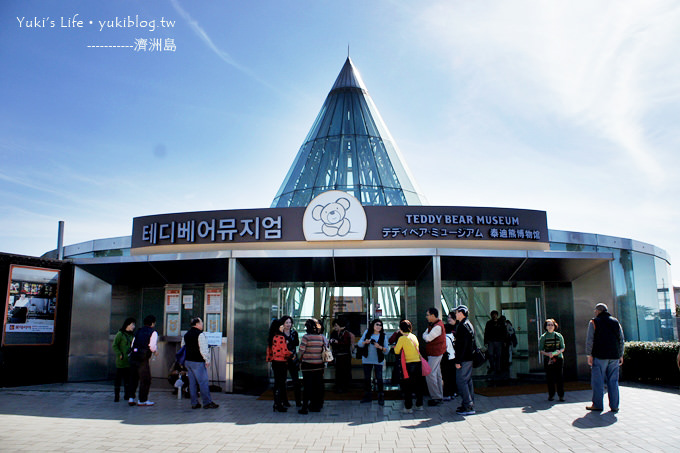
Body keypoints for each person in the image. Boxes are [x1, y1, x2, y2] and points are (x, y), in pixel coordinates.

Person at [586, 303, 624, 413]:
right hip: (614, 356)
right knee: (613, 381)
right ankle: (614, 406)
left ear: (598, 311)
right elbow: (621, 339)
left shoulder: (594, 322)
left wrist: (589, 355)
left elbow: (590, 340)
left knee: (598, 381)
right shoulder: (616, 322)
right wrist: (621, 354)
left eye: (595, 311)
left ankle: (597, 405)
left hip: (600, 356)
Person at [182, 317, 219, 409]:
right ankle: (207, 402)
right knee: (203, 383)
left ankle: (194, 403)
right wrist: (207, 359)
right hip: (198, 361)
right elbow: (203, 349)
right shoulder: (200, 335)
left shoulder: (186, 334)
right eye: (201, 322)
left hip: (188, 361)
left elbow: (183, 346)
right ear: (197, 324)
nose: (202, 324)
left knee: (192, 383)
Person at [393, 320, 424, 413]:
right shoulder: (413, 336)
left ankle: (408, 407)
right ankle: (419, 405)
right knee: (418, 385)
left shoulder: (402, 338)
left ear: (400, 329)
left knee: (407, 386)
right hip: (418, 363)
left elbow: (396, 351)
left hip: (408, 364)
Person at [129, 314, 158, 406]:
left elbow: (132, 344)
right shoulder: (153, 332)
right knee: (145, 379)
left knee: (133, 378)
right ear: (153, 323)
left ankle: (131, 398)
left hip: (134, 356)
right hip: (143, 358)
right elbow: (152, 346)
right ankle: (142, 400)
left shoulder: (138, 331)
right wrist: (155, 351)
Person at [297, 318, 325, 414]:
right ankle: (316, 405)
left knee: (307, 386)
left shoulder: (306, 337)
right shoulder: (321, 337)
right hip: (319, 365)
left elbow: (301, 351)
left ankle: (304, 407)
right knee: (317, 386)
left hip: (308, 365)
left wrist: (298, 358)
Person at [359, 318, 389, 405]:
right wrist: (366, 342)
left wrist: (379, 347)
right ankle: (367, 396)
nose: (379, 327)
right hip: (367, 359)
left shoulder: (383, 335)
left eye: (380, 325)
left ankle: (380, 396)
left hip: (378, 359)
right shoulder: (367, 333)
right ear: (373, 325)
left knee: (379, 378)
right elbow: (360, 344)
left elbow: (387, 350)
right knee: (367, 378)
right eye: (377, 324)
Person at [454, 305, 476, 415]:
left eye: (457, 312)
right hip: (468, 358)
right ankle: (468, 404)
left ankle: (468, 405)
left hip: (464, 359)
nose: (455, 314)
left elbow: (462, 346)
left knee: (461, 381)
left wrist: (458, 361)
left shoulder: (463, 326)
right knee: (467, 381)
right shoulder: (469, 324)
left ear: (462, 313)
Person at [267, 319, 292, 412]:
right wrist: (291, 355)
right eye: (282, 326)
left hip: (274, 362)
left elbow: (269, 351)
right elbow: (284, 351)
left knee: (277, 383)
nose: (283, 327)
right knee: (281, 383)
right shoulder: (280, 337)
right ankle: (279, 404)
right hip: (281, 362)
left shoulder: (272, 337)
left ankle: (276, 403)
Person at [423, 307, 446, 406]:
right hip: (436, 353)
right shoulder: (435, 325)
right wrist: (426, 334)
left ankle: (436, 397)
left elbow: (427, 338)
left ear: (433, 315)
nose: (426, 317)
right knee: (437, 374)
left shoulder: (437, 327)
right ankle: (439, 395)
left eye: (427, 315)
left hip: (435, 353)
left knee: (429, 374)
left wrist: (425, 335)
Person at [539, 318, 565, 402]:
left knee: (559, 377)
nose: (550, 326)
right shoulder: (543, 337)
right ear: (545, 327)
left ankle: (561, 395)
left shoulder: (559, 336)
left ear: (555, 326)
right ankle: (551, 395)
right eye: (548, 325)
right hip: (548, 359)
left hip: (558, 358)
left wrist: (558, 352)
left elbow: (562, 347)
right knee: (550, 377)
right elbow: (541, 350)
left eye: (552, 325)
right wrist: (548, 354)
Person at [112, 317, 135, 403]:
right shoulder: (120, 334)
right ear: (127, 325)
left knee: (128, 380)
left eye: (134, 324)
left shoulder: (132, 335)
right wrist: (119, 354)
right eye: (132, 324)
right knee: (118, 379)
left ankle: (127, 395)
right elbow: (114, 345)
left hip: (129, 361)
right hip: (121, 361)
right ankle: (116, 396)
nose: (133, 326)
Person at [280, 315, 302, 407]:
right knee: (282, 380)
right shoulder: (279, 333)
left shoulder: (294, 332)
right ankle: (284, 401)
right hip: (282, 359)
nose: (288, 325)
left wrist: (289, 341)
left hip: (292, 358)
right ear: (283, 324)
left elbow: (296, 343)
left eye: (290, 323)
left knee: (296, 380)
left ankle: (298, 401)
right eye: (286, 323)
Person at [329, 318, 352, 393]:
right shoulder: (334, 333)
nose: (335, 327)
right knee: (339, 372)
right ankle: (339, 387)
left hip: (344, 355)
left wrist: (337, 342)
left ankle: (344, 387)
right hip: (338, 355)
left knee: (344, 371)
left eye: (336, 325)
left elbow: (346, 343)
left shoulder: (346, 333)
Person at [441, 311, 457, 401]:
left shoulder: (446, 338)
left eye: (450, 317)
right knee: (452, 376)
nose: (449, 319)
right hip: (453, 357)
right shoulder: (452, 336)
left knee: (446, 376)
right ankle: (454, 392)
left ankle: (447, 393)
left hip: (447, 358)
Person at [484, 310, 506, 374]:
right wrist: (486, 341)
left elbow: (504, 332)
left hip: (498, 341)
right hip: (492, 341)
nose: (494, 316)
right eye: (493, 315)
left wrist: (504, 340)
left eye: (495, 315)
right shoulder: (489, 323)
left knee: (498, 355)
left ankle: (496, 367)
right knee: (491, 354)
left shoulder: (500, 323)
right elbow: (486, 332)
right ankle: (493, 367)